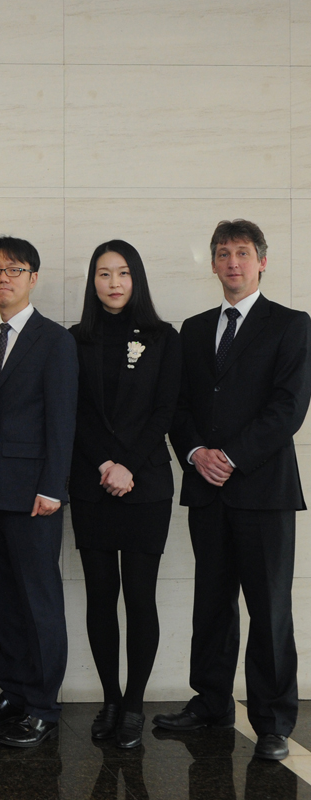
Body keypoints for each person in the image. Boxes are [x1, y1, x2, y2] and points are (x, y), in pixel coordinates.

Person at [155, 219, 311, 761]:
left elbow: (288, 407)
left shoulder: (291, 325)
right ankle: (211, 702)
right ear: (214, 264)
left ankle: (272, 721)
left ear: (262, 261)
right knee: (212, 603)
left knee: (269, 609)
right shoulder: (195, 329)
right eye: (223, 254)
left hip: (264, 491)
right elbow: (178, 406)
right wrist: (197, 453)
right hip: (207, 489)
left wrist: (233, 457)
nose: (232, 262)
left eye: (242, 253)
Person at [68, 240, 180, 749]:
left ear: (137, 279)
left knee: (139, 596)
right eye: (103, 273)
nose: (113, 283)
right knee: (99, 596)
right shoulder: (75, 340)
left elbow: (165, 410)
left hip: (145, 484)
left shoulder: (164, 337)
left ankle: (134, 704)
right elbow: (73, 412)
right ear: (92, 282)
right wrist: (104, 464)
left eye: (123, 273)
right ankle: (110, 699)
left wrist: (128, 465)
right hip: (93, 483)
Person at [0, 236, 77, 748]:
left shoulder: (55, 340)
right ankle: (13, 693)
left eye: (14, 270)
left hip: (35, 495)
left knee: (40, 603)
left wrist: (53, 487)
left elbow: (63, 419)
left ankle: (43, 705)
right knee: (3, 601)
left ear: (33, 278)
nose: (3, 278)